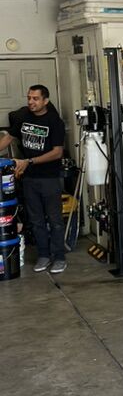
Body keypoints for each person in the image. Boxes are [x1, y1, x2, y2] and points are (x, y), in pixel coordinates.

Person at [0, 85, 66, 274]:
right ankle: (43, 256)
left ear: (45, 101)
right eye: (29, 98)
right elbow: (9, 137)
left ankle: (59, 258)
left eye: (35, 98)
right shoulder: (23, 117)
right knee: (36, 220)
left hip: (49, 178)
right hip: (29, 179)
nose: (31, 102)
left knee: (55, 220)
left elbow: (57, 152)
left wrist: (29, 161)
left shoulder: (55, 122)